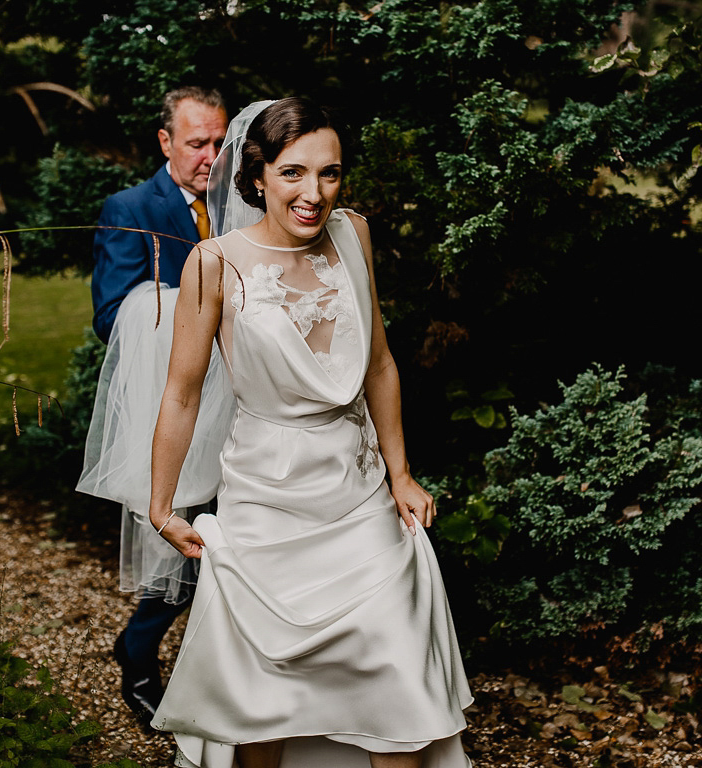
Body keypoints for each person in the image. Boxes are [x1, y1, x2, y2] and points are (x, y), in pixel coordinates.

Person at [148, 97, 473, 768]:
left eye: (330, 173)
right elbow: (180, 395)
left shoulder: (353, 234)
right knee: (262, 700)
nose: (314, 193)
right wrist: (161, 504)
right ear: (258, 174)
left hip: (357, 497)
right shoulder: (214, 264)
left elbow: (380, 363)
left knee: (397, 677)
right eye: (294, 173)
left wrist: (401, 475)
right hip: (265, 505)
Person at [76, 87, 236, 726]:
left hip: (246, 403)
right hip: (174, 404)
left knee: (236, 539)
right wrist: (198, 314)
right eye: (198, 142)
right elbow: (112, 314)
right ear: (166, 142)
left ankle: (224, 672)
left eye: (221, 142)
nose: (212, 156)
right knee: (185, 547)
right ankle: (139, 653)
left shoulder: (244, 204)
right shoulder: (130, 207)